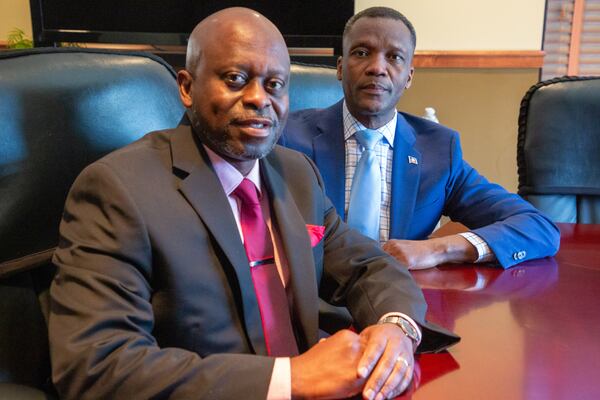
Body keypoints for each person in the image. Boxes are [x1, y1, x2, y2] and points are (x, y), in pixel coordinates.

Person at [48, 7, 457, 400]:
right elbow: (96, 365)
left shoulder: (296, 172)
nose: (259, 98)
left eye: (275, 84)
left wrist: (397, 327)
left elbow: (369, 266)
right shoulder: (118, 188)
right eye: (235, 78)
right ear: (187, 87)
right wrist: (290, 379)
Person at [281, 6, 560, 271]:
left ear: (409, 76)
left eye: (394, 57)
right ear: (340, 68)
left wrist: (436, 249)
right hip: (307, 300)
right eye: (362, 52)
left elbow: (537, 227)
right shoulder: (287, 137)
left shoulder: (438, 150)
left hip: (398, 299)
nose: (377, 67)